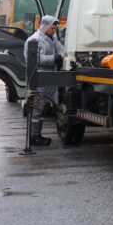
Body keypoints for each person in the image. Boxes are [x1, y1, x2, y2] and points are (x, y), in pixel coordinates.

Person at [24, 15, 65, 146]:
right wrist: (56, 58)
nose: (54, 31)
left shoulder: (51, 38)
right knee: (37, 109)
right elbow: (38, 59)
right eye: (52, 28)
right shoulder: (34, 40)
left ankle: (37, 135)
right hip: (38, 79)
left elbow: (60, 49)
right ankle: (33, 137)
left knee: (41, 109)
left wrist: (64, 55)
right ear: (45, 26)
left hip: (48, 80)